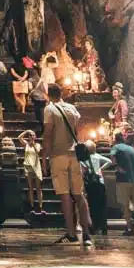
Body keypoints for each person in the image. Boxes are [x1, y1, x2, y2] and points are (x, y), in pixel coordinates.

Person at [42, 84, 93, 248]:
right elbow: (80, 129)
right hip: (74, 154)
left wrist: (44, 158)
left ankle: (71, 233)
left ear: (48, 95)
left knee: (65, 195)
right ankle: (86, 234)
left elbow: (48, 134)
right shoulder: (72, 108)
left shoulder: (49, 109)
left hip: (58, 155)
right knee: (79, 194)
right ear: (61, 94)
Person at [110, 130, 134, 236]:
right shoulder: (132, 149)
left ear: (115, 140)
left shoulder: (115, 147)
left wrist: (117, 166)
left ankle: (130, 229)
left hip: (122, 180)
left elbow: (112, 158)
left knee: (125, 205)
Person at [80, 140, 111, 235]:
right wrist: (100, 169)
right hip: (100, 183)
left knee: (93, 205)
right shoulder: (98, 156)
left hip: (91, 184)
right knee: (102, 204)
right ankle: (104, 226)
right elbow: (109, 161)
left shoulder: (83, 158)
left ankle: (95, 226)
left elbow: (83, 168)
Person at [18, 129, 43, 213]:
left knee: (38, 187)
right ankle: (32, 206)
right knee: (30, 187)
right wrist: (26, 131)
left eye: (33, 135)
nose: (32, 136)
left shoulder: (38, 144)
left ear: (35, 137)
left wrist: (34, 145)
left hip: (36, 166)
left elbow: (38, 151)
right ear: (28, 137)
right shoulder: (26, 144)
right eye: (30, 135)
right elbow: (19, 137)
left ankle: (40, 206)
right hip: (28, 166)